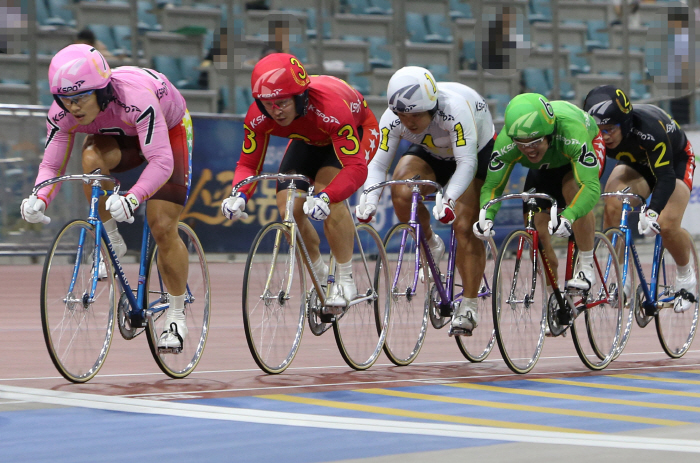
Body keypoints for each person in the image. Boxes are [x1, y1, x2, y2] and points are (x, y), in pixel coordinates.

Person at [20, 44, 194, 349]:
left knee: (162, 225)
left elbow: (162, 161)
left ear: (102, 90)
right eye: (65, 99)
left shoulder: (135, 98)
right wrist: (39, 197)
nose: (72, 107)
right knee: (89, 162)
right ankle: (111, 238)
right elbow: (50, 164)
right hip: (116, 136)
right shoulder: (62, 113)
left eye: (80, 97)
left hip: (168, 129)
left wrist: (133, 198)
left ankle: (176, 317)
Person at [221, 52, 379, 306]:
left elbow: (356, 168)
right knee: (289, 211)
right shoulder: (258, 116)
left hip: (357, 130)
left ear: (300, 97)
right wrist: (239, 194)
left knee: (331, 193)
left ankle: (346, 280)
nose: (276, 111)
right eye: (268, 104)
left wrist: (327, 196)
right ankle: (319, 279)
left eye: (282, 102)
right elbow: (249, 164)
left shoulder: (332, 109)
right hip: (308, 140)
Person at [355, 66, 496, 334]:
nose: (408, 122)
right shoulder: (393, 118)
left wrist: (450, 198)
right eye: (402, 115)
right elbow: (378, 165)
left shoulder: (454, 108)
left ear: (431, 107)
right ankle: (431, 242)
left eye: (416, 115)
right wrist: (369, 199)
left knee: (464, 225)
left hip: (473, 152)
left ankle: (468, 305)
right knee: (401, 189)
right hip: (432, 149)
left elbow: (466, 163)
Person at [475, 93, 605, 291]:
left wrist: (568, 216)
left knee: (573, 190)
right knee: (535, 225)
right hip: (546, 164)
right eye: (522, 144)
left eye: (535, 142)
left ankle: (586, 266)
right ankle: (554, 296)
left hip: (578, 151)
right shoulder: (506, 143)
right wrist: (487, 215)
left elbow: (591, 186)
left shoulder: (571, 131)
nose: (529, 150)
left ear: (549, 134)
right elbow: (492, 187)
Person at [584, 85, 696, 312]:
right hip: (637, 164)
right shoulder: (593, 134)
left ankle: (686, 277)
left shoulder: (649, 130)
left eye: (610, 129)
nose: (604, 137)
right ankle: (622, 278)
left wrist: (652, 212)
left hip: (674, 163)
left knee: (666, 225)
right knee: (613, 204)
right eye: (599, 130)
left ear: (624, 123)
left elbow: (664, 177)